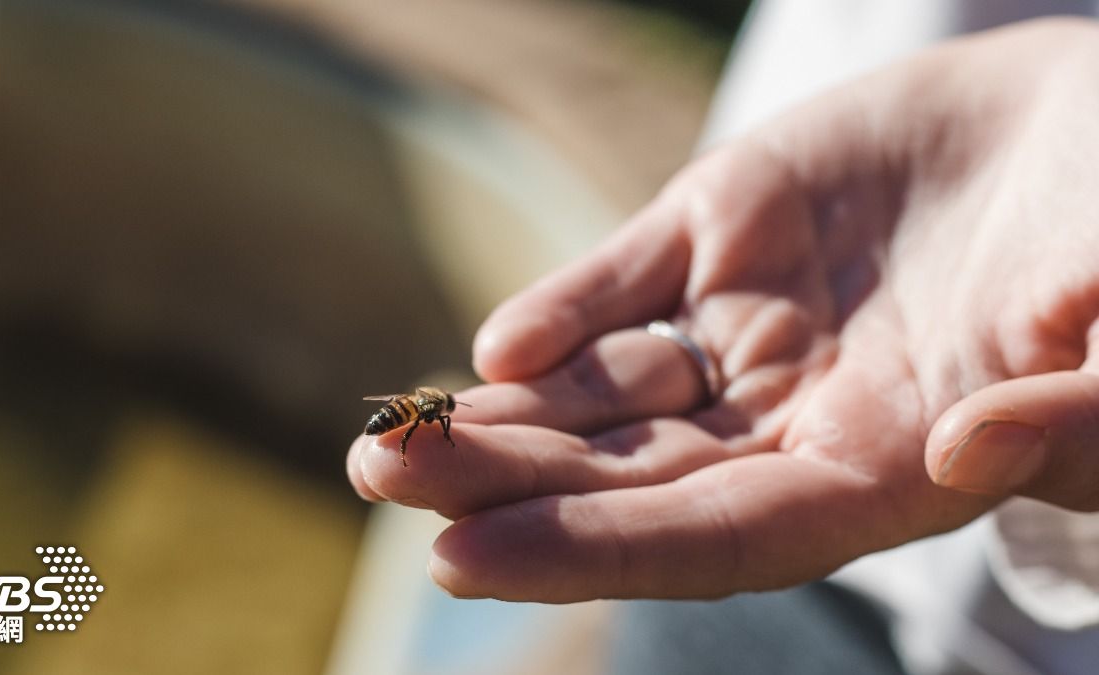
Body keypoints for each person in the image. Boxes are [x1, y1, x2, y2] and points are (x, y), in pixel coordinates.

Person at [347, 14, 1099, 675]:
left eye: (429, 417)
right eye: (429, 418)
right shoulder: (426, 417)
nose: (433, 416)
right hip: (753, 566)